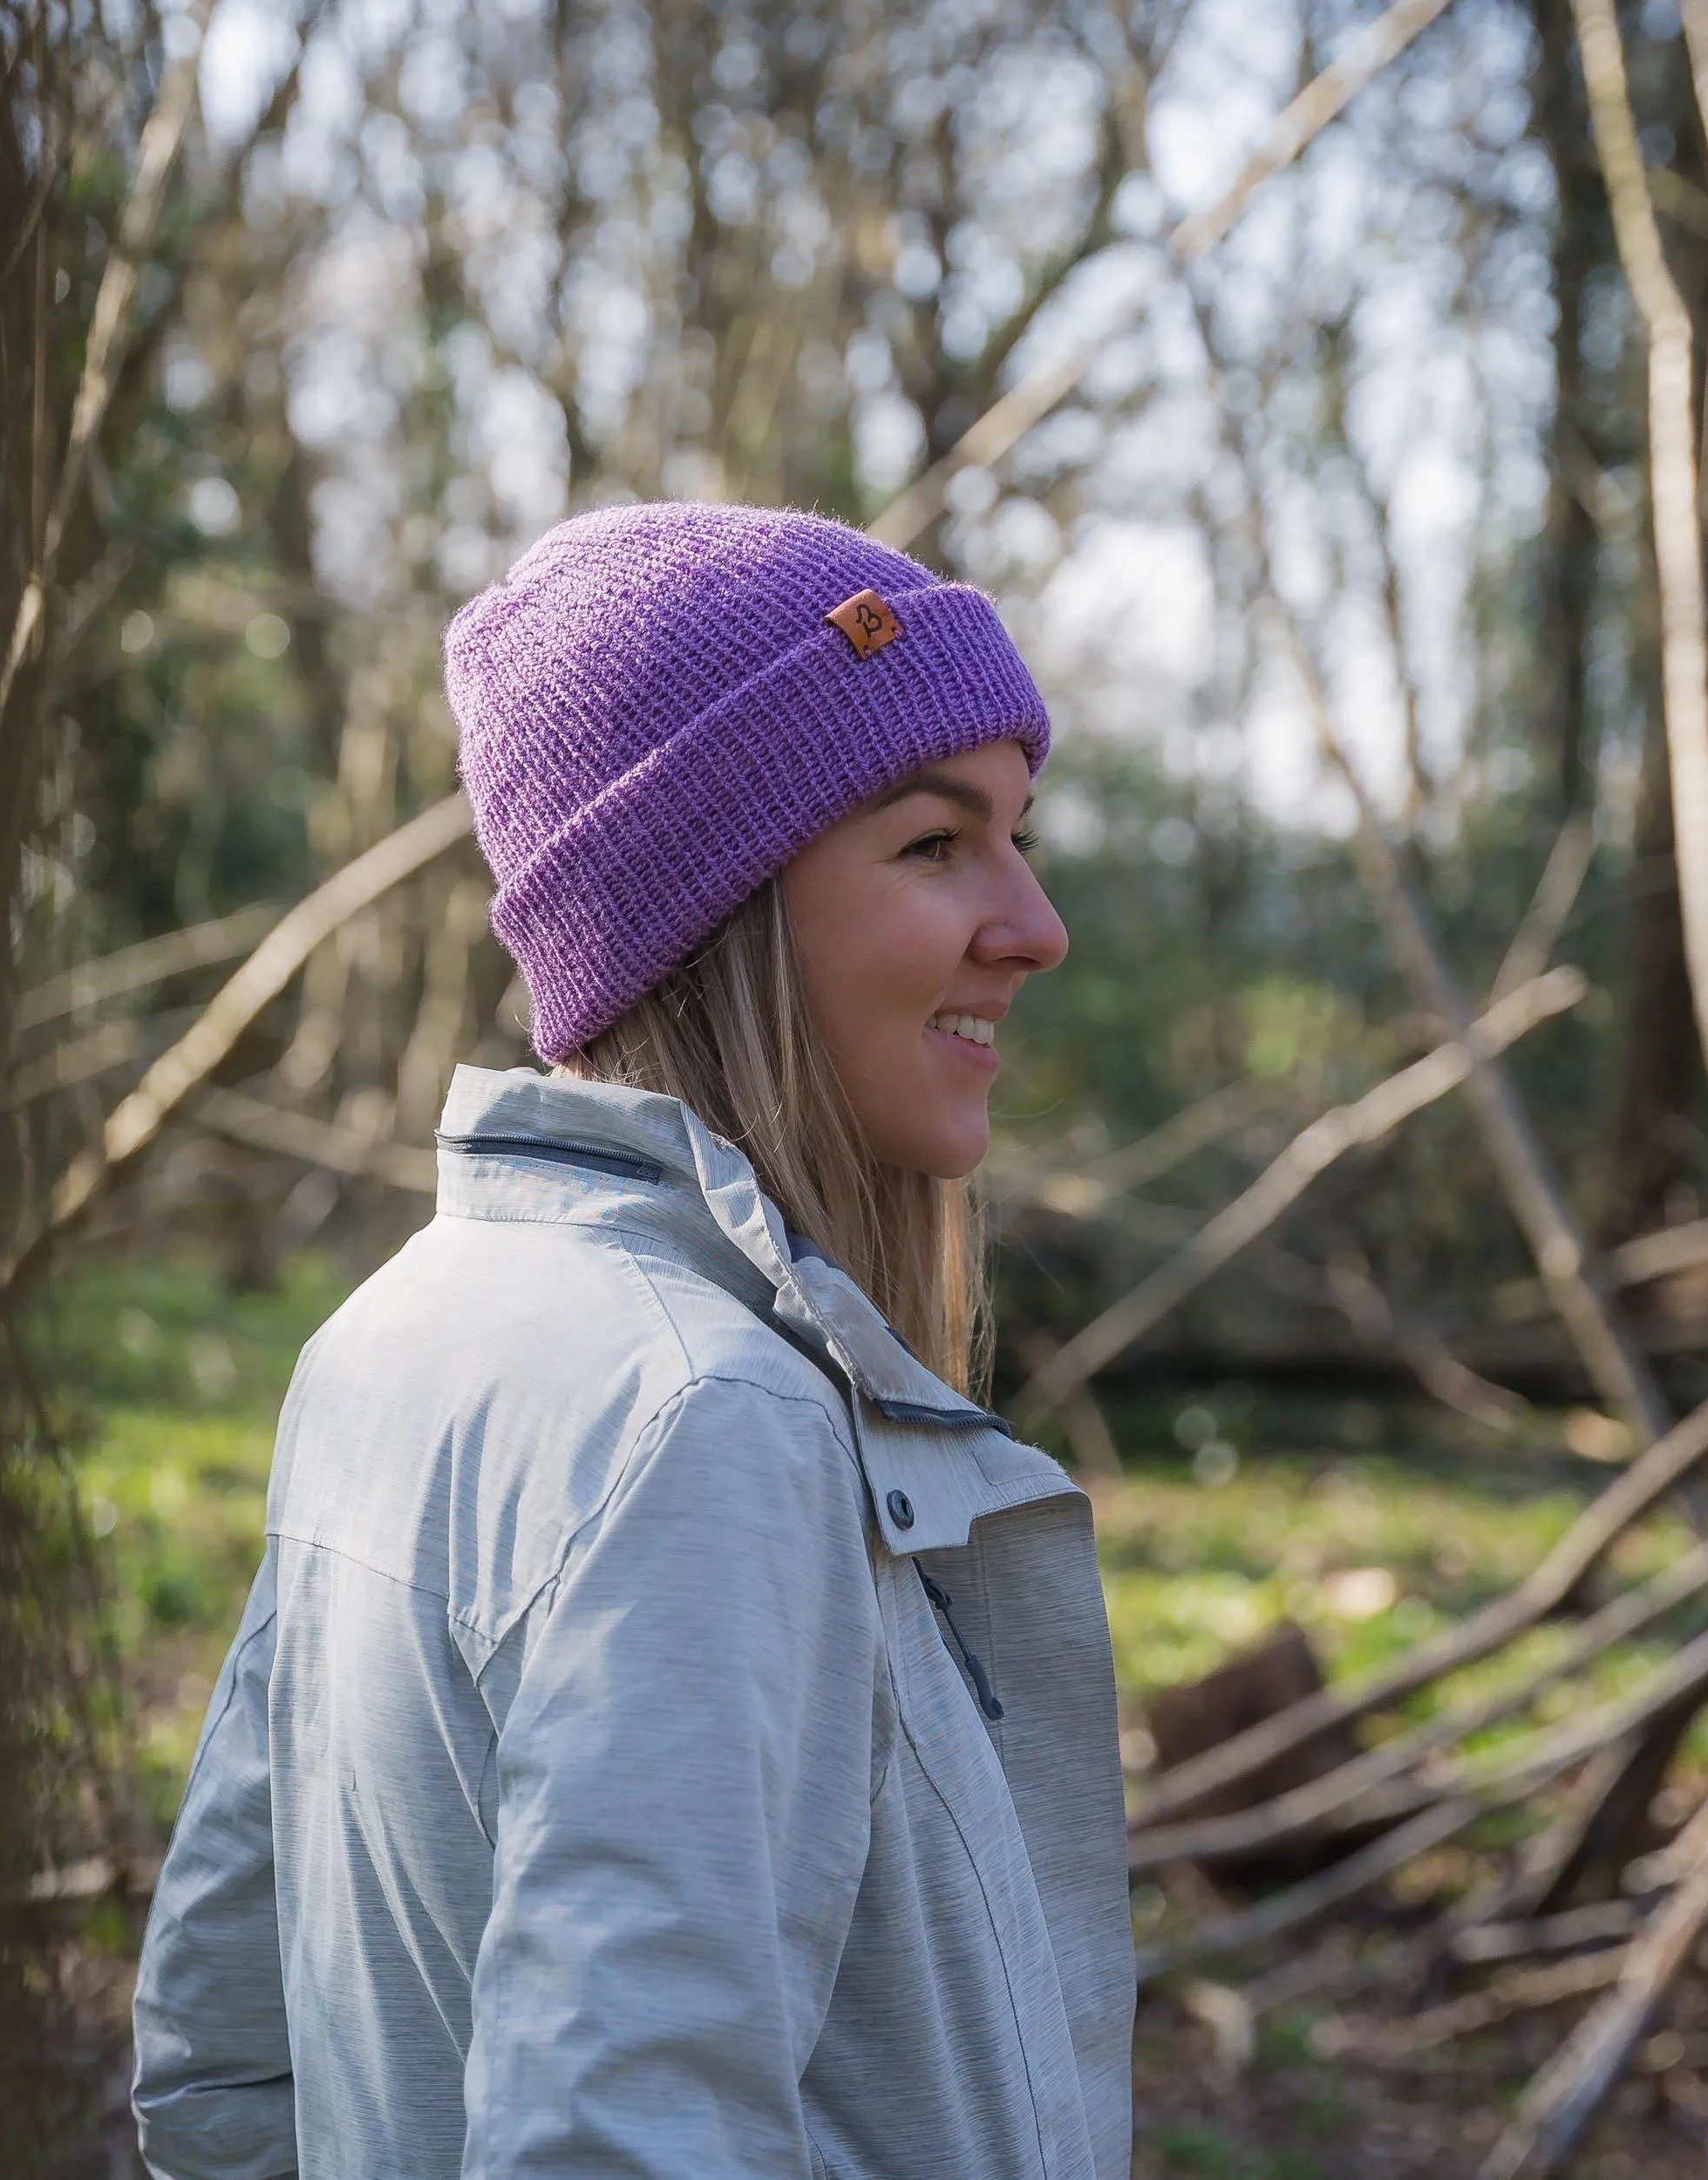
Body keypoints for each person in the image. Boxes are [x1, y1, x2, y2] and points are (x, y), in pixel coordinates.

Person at [131, 502, 1134, 2180]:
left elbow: (221, 2078)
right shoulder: (709, 1419)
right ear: (714, 910)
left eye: (1020, 837)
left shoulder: (389, 1339)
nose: (1034, 926)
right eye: (934, 845)